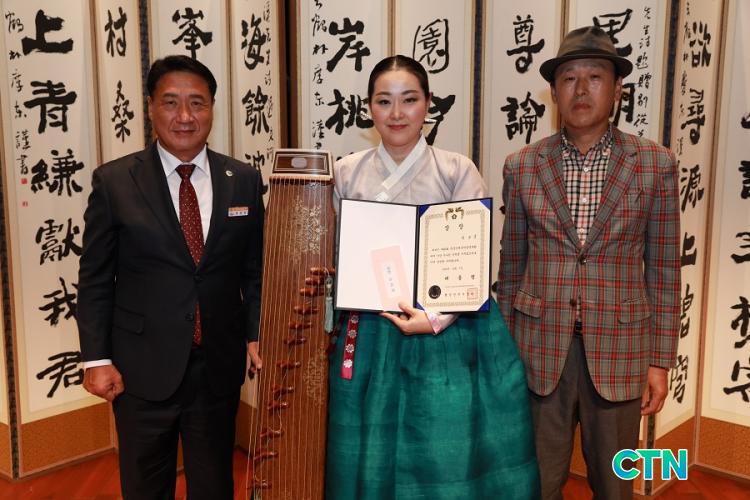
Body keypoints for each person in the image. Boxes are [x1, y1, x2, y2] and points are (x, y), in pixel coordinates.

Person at [326, 55, 539, 499]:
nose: (397, 113)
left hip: (448, 328)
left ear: (427, 105)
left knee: (442, 446)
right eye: (384, 101)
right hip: (370, 326)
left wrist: (437, 318)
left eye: (409, 100)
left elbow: (473, 259)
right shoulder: (346, 171)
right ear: (369, 107)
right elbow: (336, 254)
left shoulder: (455, 169)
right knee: (370, 445)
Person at [498, 26, 681, 499]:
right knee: (536, 483)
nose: (581, 89)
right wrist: (504, 354)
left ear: (617, 89)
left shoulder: (655, 164)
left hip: (621, 351)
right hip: (539, 353)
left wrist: (660, 362)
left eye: (595, 77)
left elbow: (665, 271)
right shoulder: (522, 165)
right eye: (568, 78)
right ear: (554, 92)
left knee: (615, 486)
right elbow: (511, 267)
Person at [76, 55, 264, 499]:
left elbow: (254, 270)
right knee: (145, 487)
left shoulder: (243, 179)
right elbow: (96, 279)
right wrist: (96, 358)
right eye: (171, 102)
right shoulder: (115, 182)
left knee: (214, 485)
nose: (184, 116)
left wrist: (257, 333)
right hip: (140, 368)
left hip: (217, 367)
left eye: (197, 103)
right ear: (150, 108)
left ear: (212, 108)